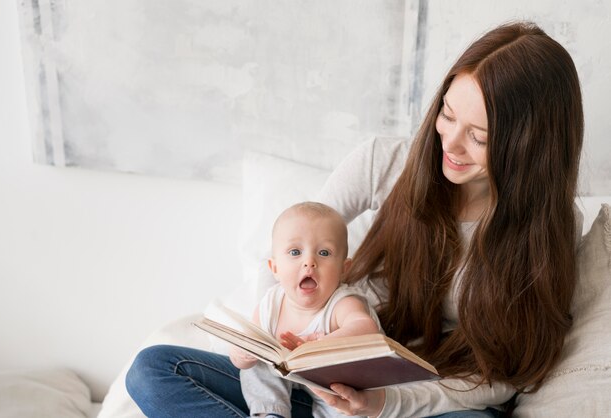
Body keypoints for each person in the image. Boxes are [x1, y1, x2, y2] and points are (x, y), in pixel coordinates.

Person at [125, 21, 584, 417]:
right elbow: (296, 244)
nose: (451, 143)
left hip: (430, 403)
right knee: (153, 370)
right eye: (447, 114)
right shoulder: (384, 162)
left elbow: (505, 378)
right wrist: (271, 344)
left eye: (479, 137)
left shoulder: (549, 232)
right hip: (328, 388)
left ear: (529, 150)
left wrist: (384, 403)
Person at [232, 201, 381, 418]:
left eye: (324, 252)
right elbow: (243, 361)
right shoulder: (270, 304)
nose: (309, 262)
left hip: (335, 388)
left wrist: (318, 346)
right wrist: (242, 354)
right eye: (295, 252)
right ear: (275, 268)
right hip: (292, 382)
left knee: (345, 391)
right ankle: (271, 412)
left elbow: (366, 328)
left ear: (343, 268)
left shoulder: (342, 302)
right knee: (259, 358)